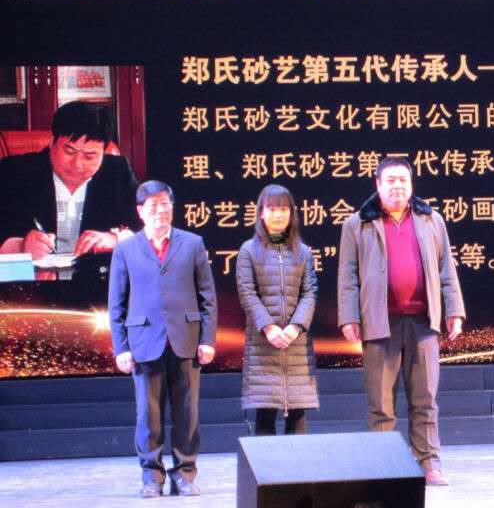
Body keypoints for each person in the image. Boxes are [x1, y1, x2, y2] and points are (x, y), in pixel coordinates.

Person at [337, 156, 466, 486]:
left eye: (403, 180)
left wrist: (454, 310)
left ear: (411, 185)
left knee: (425, 399)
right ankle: (384, 467)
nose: (397, 186)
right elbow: (348, 275)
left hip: (423, 323)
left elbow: (446, 269)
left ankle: (428, 464)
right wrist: (348, 316)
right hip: (380, 324)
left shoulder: (431, 219)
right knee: (381, 403)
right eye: (390, 180)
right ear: (378, 184)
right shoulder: (358, 223)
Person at [108, 180, 217, 498]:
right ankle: (151, 475)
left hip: (186, 339)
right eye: (153, 205)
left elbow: (208, 296)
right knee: (148, 415)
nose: (160, 210)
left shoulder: (192, 243)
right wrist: (121, 347)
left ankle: (185, 473)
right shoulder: (126, 249)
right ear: (140, 211)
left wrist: (208, 339)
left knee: (187, 413)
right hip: (144, 342)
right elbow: (117, 303)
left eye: (165, 204)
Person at [0, 100, 139, 259]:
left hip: (95, 274)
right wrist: (19, 246)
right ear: (52, 143)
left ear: (103, 152)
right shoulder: (14, 172)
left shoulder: (117, 172)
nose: (77, 164)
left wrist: (115, 239)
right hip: (35, 274)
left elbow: (149, 229)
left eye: (89, 156)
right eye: (69, 152)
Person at [236, 184, 319, 435]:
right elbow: (247, 293)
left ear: (292, 213)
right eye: (272, 209)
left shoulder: (303, 252)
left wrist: (296, 327)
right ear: (261, 213)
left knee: (297, 413)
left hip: (296, 343)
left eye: (284, 209)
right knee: (266, 411)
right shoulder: (248, 250)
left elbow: (310, 293)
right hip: (263, 344)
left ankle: (298, 464)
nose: (278, 214)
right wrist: (269, 327)